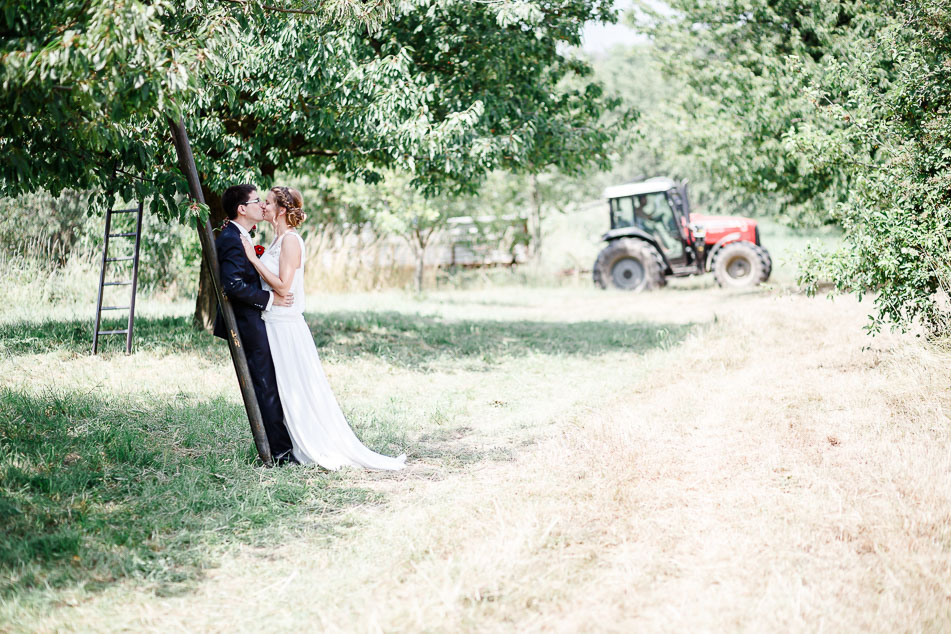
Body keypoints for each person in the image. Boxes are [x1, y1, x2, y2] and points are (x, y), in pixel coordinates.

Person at [240, 186, 407, 471]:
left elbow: (282, 286)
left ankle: (312, 442)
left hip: (286, 328)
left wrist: (254, 260)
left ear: (281, 209)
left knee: (297, 387)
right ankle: (290, 441)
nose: (263, 207)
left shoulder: (291, 241)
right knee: (283, 388)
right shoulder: (276, 240)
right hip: (274, 324)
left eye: (267, 202)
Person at [214, 184, 297, 465]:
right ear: (242, 209)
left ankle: (282, 445)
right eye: (257, 200)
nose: (262, 205)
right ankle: (281, 452)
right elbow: (233, 285)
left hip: (258, 318)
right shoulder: (230, 238)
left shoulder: (244, 236)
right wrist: (270, 299)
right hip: (248, 321)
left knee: (269, 382)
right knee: (264, 385)